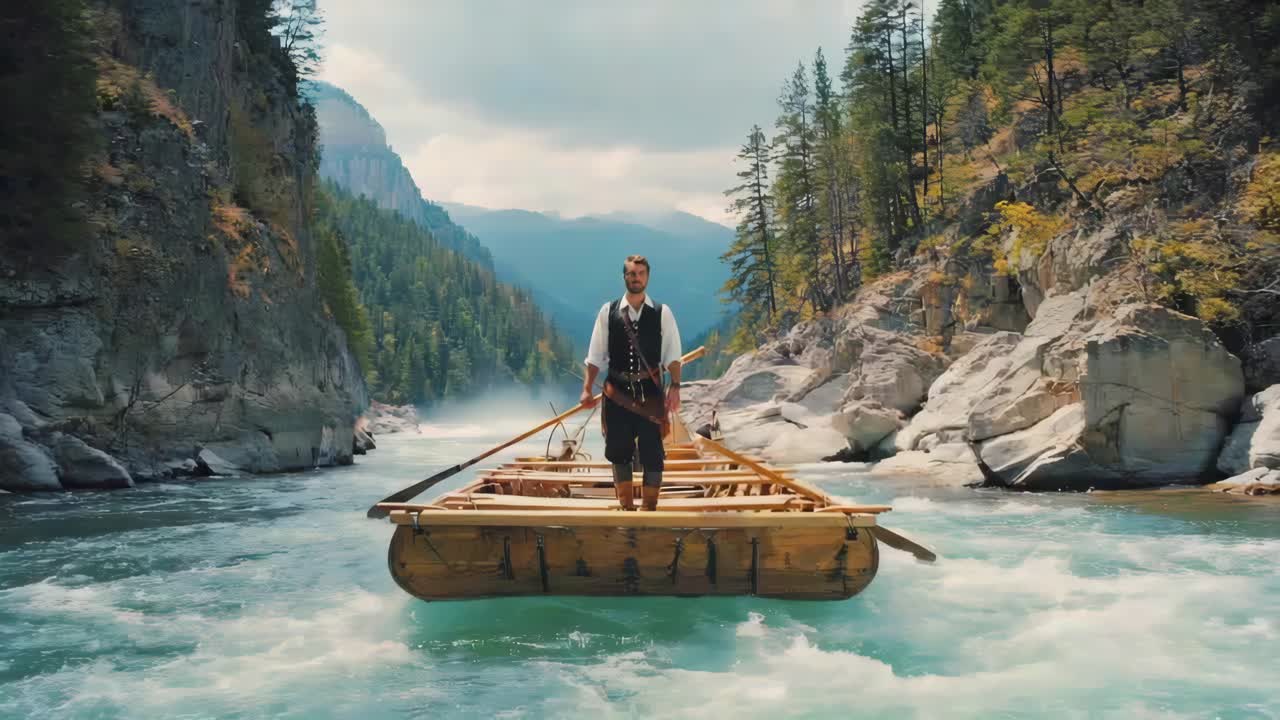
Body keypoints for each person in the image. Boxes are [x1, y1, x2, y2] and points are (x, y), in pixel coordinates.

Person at [579, 255, 682, 511]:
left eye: (641, 273)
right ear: (624, 277)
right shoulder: (608, 311)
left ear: (647, 277)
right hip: (617, 393)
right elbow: (595, 356)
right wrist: (586, 389)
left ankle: (649, 508)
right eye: (631, 274)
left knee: (653, 454)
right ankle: (626, 508)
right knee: (618, 450)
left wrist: (676, 386)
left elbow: (672, 355)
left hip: (651, 393)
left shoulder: (662, 312)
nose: (636, 278)